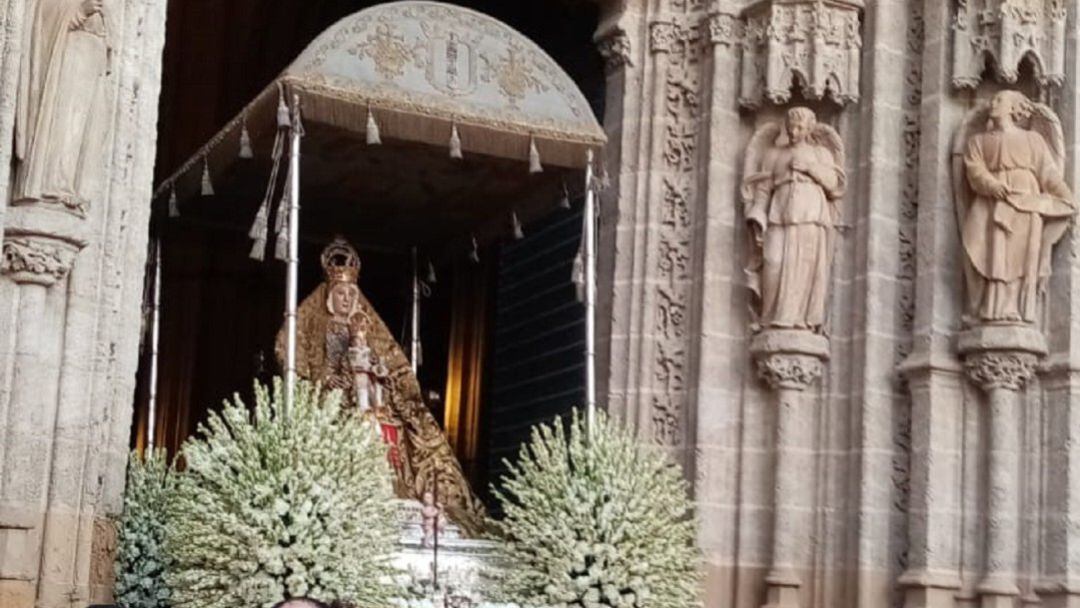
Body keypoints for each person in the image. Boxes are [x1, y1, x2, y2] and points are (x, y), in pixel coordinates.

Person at [959, 89, 1075, 323]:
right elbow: (974, 170)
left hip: (1025, 203)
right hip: (991, 202)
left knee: (1017, 258)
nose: (993, 102)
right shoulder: (977, 142)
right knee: (984, 250)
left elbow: (1048, 174)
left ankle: (1012, 308)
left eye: (999, 99)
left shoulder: (1032, 139)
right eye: (993, 98)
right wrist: (991, 184)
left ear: (1013, 108)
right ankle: (987, 308)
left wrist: (1066, 196)